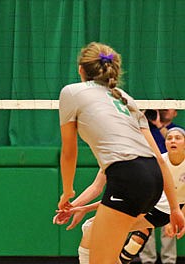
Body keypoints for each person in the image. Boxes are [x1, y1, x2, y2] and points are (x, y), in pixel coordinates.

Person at [57, 41, 185, 264]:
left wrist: (67, 192)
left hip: (128, 176)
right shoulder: (126, 99)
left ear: (81, 69)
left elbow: (69, 151)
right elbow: (158, 159)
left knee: (100, 259)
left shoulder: (71, 92)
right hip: (152, 179)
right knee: (97, 244)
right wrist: (175, 208)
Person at [54, 126, 185, 264]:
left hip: (157, 208)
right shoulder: (112, 157)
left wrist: (178, 212)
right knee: (100, 236)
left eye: (177, 138)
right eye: (169, 138)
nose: (172, 141)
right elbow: (96, 188)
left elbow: (127, 200)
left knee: (95, 230)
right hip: (145, 203)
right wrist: (73, 207)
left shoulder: (145, 161)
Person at [141, 107, 180, 264]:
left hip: (170, 180)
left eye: (168, 109)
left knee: (169, 221)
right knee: (143, 221)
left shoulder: (176, 131)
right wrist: (142, 118)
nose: (164, 111)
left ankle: (169, 260)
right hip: (148, 176)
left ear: (175, 112)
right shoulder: (146, 128)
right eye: (161, 108)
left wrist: (159, 125)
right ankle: (147, 260)